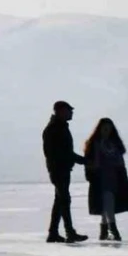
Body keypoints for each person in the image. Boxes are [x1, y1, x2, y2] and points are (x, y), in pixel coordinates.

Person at [42, 101, 89, 243]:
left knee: (60, 201)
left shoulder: (60, 127)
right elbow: (59, 153)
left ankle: (53, 233)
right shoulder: (53, 129)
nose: (71, 113)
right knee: (64, 200)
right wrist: (85, 161)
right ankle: (70, 232)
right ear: (61, 111)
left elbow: (65, 153)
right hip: (58, 170)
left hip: (62, 169)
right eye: (69, 110)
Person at [82, 118, 128, 241]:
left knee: (107, 204)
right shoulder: (94, 144)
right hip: (100, 179)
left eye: (109, 129)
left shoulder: (114, 144)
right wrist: (91, 174)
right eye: (105, 129)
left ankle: (104, 230)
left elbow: (120, 162)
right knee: (108, 203)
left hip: (115, 178)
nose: (107, 131)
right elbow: (89, 163)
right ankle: (113, 229)